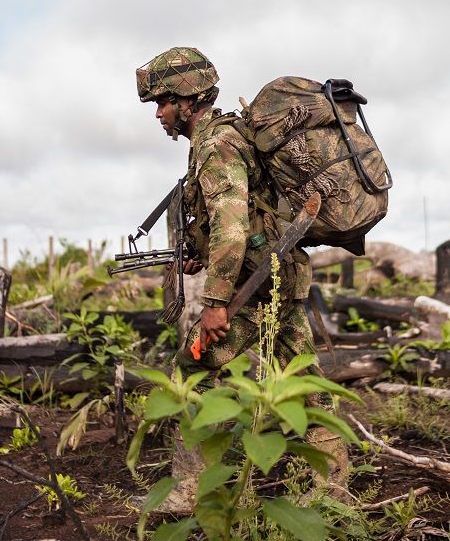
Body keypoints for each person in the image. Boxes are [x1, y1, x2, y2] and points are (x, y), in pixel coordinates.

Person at [135, 47, 348, 514]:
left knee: (191, 369)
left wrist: (214, 301)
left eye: (162, 103)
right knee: (306, 384)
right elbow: (243, 220)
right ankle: (332, 491)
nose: (159, 115)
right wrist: (201, 255)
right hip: (279, 276)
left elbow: (232, 225)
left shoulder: (215, 146)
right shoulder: (230, 136)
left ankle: (193, 491)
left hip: (255, 285)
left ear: (187, 100)